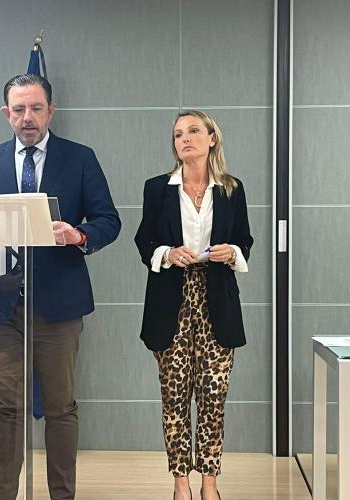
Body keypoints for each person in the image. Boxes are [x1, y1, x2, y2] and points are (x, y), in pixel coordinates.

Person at [0, 73, 121, 500]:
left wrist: (78, 234)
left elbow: (108, 221)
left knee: (60, 407)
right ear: (6, 114)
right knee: (6, 407)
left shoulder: (80, 158)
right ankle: (3, 495)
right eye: (19, 109)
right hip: (1, 308)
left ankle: (62, 496)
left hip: (59, 305)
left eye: (36, 108)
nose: (27, 118)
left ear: (51, 110)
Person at [134, 110, 253, 500]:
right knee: (175, 397)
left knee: (213, 397)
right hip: (171, 301)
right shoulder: (157, 188)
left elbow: (245, 241)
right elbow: (144, 241)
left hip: (217, 301)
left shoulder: (232, 188)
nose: (184, 138)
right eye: (177, 134)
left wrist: (231, 252)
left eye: (193, 131)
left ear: (212, 138)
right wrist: (168, 254)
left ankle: (210, 485)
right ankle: (181, 484)